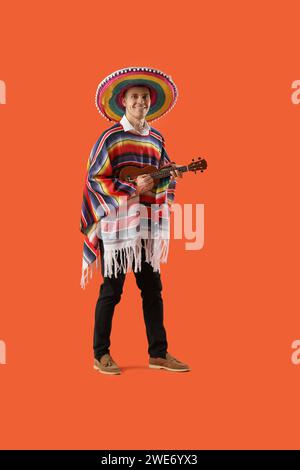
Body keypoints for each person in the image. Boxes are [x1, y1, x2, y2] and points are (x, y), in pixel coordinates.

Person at [80, 67, 191, 375]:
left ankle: (159, 353)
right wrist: (130, 188)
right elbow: (94, 180)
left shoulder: (156, 137)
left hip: (144, 225)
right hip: (116, 226)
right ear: (124, 101)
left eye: (144, 97)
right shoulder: (110, 137)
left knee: (152, 288)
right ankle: (100, 354)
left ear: (150, 102)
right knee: (112, 289)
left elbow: (162, 169)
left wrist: (172, 173)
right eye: (134, 97)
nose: (140, 102)